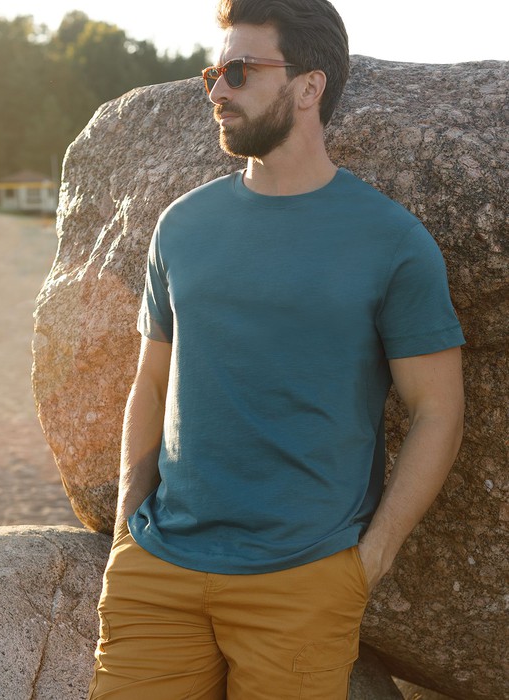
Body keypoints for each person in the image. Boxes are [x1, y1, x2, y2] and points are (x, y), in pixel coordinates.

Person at [88, 1, 465, 698]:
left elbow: (438, 411)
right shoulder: (181, 226)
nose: (217, 92)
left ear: (308, 85)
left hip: (302, 583)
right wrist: (125, 531)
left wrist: (367, 563)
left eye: (239, 71)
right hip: (157, 571)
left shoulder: (392, 242)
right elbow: (152, 381)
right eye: (213, 75)